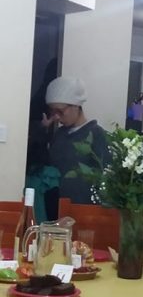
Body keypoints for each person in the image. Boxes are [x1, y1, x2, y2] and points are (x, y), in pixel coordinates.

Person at [44, 76, 109, 205]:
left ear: (76, 106)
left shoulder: (97, 135)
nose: (56, 117)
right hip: (56, 210)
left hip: (85, 212)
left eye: (60, 111)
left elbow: (106, 179)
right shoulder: (59, 135)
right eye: (53, 111)